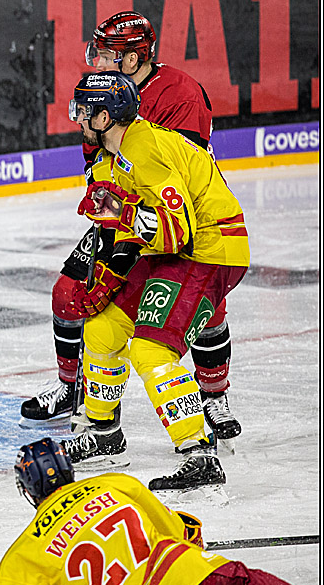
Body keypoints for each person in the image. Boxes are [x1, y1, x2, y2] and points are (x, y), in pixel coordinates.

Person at [21, 11, 241, 448]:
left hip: (188, 226)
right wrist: (113, 236)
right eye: (97, 51)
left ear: (136, 57)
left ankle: (212, 400)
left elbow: (175, 188)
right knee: (75, 296)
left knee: (194, 310)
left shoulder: (178, 95)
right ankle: (84, 403)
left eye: (107, 53)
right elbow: (104, 169)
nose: (97, 60)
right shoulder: (100, 98)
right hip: (137, 212)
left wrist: (123, 231)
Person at [57, 70, 249, 490]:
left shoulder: (144, 150)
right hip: (172, 252)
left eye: (84, 111)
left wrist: (120, 213)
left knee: (150, 350)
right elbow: (138, 234)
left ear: (106, 117)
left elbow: (176, 232)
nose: (77, 118)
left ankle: (198, 454)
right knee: (103, 330)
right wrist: (105, 276)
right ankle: (104, 434)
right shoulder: (115, 152)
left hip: (210, 249)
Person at [0, 438, 320, 585]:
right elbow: (179, 533)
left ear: (27, 490)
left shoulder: (20, 560)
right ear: (69, 469)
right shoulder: (115, 485)